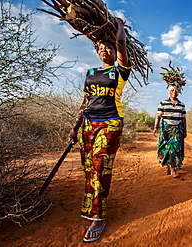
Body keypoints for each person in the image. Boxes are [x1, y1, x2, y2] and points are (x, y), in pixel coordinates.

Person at [69, 18, 131, 242]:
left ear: (116, 52)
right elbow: (85, 101)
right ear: (97, 52)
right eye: (101, 48)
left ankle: (99, 217)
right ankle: (91, 206)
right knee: (89, 168)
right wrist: (75, 126)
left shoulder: (120, 71)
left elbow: (122, 43)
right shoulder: (91, 72)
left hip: (110, 123)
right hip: (88, 124)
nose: (105, 51)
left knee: (100, 167)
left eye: (110, 48)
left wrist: (120, 26)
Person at [153, 86, 187, 178]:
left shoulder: (181, 105)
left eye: (176, 91)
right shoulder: (163, 103)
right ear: (169, 92)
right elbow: (158, 116)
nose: (174, 92)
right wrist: (155, 127)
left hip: (177, 129)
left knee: (174, 149)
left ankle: (173, 169)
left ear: (179, 93)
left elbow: (183, 118)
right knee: (165, 148)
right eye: (172, 90)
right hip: (165, 130)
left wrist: (185, 131)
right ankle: (167, 168)